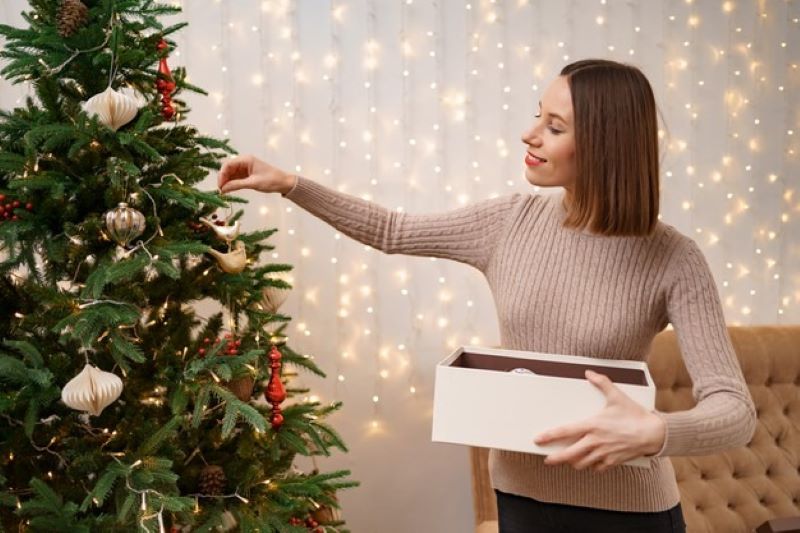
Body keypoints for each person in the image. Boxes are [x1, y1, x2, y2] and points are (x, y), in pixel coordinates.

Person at [218, 59, 756, 533]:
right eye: (537, 114)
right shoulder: (509, 222)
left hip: (632, 513)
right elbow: (392, 231)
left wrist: (656, 430)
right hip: (522, 499)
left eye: (554, 126)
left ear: (603, 142)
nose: (529, 134)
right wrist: (290, 184)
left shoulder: (673, 257)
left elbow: (734, 410)